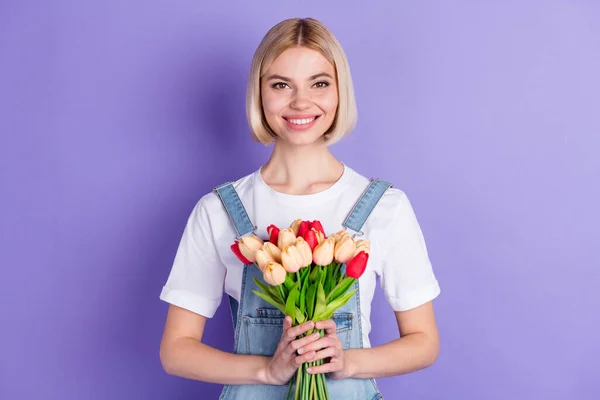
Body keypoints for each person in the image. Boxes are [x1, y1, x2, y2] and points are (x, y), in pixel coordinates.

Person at [158, 17, 441, 399]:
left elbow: (424, 341)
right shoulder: (220, 210)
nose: (301, 102)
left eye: (319, 83)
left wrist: (349, 362)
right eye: (281, 85)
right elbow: (176, 351)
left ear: (340, 92)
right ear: (260, 94)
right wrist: (267, 371)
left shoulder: (384, 206)